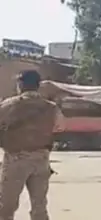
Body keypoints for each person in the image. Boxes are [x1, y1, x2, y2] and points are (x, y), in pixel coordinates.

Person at [0, 70, 60, 220]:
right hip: (41, 160)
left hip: (16, 159)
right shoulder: (51, 107)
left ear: (21, 84)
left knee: (6, 207)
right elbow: (60, 126)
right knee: (39, 207)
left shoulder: (9, 105)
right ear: (38, 86)